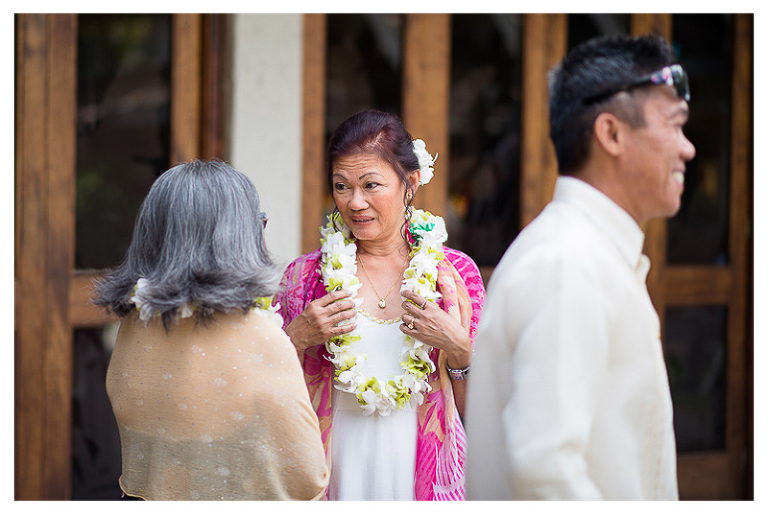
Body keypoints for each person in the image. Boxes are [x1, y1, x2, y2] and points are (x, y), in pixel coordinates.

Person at [465, 34, 696, 500]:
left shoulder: (581, 252)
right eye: (674, 125)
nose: (687, 148)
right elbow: (544, 468)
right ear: (611, 134)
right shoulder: (569, 264)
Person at [274, 109, 486, 500]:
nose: (355, 202)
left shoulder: (455, 277)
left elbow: (482, 409)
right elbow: (259, 389)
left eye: (371, 185)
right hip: (333, 465)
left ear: (411, 183)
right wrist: (295, 337)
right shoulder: (303, 278)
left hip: (421, 463)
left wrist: (456, 346)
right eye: (341, 186)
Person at [93, 160, 329, 500]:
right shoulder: (260, 337)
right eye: (258, 224)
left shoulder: (133, 327)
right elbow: (306, 478)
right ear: (237, 239)